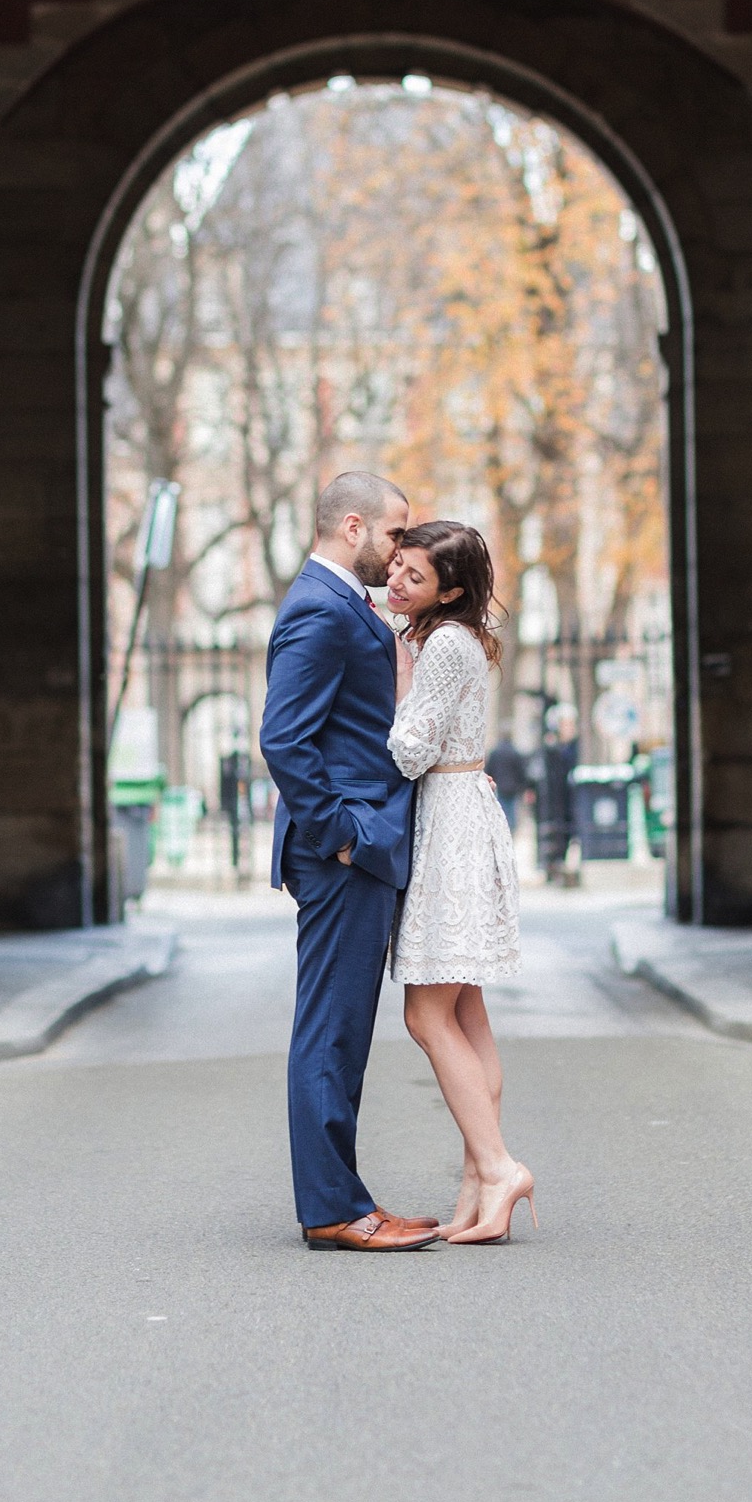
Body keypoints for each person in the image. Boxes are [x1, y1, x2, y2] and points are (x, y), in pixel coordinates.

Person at [259, 471, 439, 1254]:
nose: (404, 549)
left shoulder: (340, 606)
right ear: (355, 526)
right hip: (342, 855)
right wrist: (342, 835)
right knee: (331, 1032)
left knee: (342, 1033)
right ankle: (334, 1209)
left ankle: (344, 1195)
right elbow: (283, 738)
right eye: (398, 533)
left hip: (354, 850)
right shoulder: (320, 609)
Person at [387, 522, 536, 1244]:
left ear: (449, 590)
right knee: (467, 1010)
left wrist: (401, 681)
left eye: (413, 577)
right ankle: (480, 1182)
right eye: (396, 568)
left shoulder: (441, 645)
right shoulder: (455, 636)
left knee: (426, 1015)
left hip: (448, 822)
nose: (395, 583)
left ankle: (500, 1166)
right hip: (463, 814)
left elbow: (411, 751)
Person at [537, 703, 581, 883]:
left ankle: (560, 866)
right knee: (555, 834)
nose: (570, 729)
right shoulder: (552, 748)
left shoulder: (574, 746)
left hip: (568, 800)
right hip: (554, 801)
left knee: (566, 833)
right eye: (566, 725)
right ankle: (553, 867)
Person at [485, 732, 532, 844]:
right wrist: (523, 787)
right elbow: (521, 771)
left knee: (502, 810)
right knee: (512, 813)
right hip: (513, 788)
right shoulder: (515, 752)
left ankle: (502, 833)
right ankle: (510, 834)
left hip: (500, 787)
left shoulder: (495, 753)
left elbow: (489, 769)